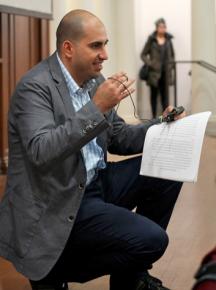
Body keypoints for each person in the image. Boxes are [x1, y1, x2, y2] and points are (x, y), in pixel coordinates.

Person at [0, 10, 185, 290]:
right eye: (96, 45)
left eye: (105, 44)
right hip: (57, 197)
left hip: (96, 181)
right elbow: (41, 152)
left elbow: (118, 137)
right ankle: (52, 270)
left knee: (168, 167)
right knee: (153, 240)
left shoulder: (93, 80)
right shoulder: (34, 87)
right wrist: (96, 107)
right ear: (69, 48)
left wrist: (162, 125)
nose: (105, 54)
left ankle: (129, 280)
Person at [141, 18, 175, 118]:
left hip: (166, 72)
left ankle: (166, 118)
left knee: (165, 98)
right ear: (156, 28)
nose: (163, 29)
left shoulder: (168, 40)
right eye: (161, 27)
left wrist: (171, 66)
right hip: (154, 73)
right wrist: (151, 63)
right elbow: (143, 54)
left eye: (164, 27)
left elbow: (172, 55)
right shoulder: (151, 40)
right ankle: (154, 117)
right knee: (154, 96)